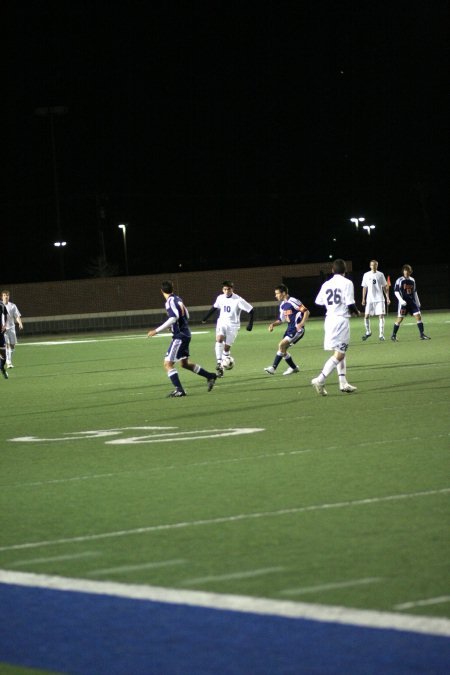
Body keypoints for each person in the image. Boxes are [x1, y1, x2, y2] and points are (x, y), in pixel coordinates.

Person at [147, 280, 217, 397]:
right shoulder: (178, 299)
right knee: (184, 364)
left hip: (180, 337)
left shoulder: (169, 301)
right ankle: (210, 376)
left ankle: (179, 390)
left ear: (161, 291)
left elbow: (173, 317)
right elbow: (187, 315)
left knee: (167, 364)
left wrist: (156, 331)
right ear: (172, 289)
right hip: (186, 334)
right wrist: (178, 325)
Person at [311, 259, 360, 396]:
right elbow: (350, 303)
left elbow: (318, 301)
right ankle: (320, 379)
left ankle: (343, 383)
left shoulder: (327, 284)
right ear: (345, 271)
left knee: (339, 351)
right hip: (341, 320)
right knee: (340, 354)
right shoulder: (347, 283)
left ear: (332, 270)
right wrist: (356, 312)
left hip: (329, 319)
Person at [201, 280, 254, 377]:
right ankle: (219, 363)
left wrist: (250, 324)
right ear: (222, 289)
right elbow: (214, 307)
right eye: (224, 289)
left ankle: (224, 361)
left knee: (226, 348)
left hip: (233, 326)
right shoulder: (220, 298)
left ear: (232, 289)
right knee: (219, 339)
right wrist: (205, 317)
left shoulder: (238, 300)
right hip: (222, 322)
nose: (226, 291)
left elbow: (251, 310)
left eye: (228, 289)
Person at [264, 284, 309, 376]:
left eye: (277, 293)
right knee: (283, 350)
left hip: (297, 330)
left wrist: (301, 323)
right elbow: (281, 320)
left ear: (283, 293)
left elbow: (306, 311)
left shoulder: (293, 301)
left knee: (281, 345)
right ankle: (294, 368)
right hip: (289, 329)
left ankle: (273, 368)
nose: (275, 296)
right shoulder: (282, 306)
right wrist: (273, 324)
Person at [391, 265, 431, 341]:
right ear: (403, 271)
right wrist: (401, 300)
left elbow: (415, 292)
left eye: (408, 271)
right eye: (405, 270)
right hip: (403, 303)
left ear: (410, 272)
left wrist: (418, 301)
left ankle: (422, 335)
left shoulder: (412, 280)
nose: (406, 272)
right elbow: (396, 292)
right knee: (400, 319)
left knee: (418, 316)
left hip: (412, 302)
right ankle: (393, 335)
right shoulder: (399, 280)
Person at [361, 260, 390, 341]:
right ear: (370, 266)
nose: (374, 266)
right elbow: (364, 287)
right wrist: (363, 299)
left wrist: (387, 297)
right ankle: (368, 332)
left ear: (377, 266)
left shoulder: (380, 274)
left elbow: (385, 287)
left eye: (375, 265)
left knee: (381, 315)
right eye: (372, 265)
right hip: (370, 299)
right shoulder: (366, 275)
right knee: (366, 316)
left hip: (379, 298)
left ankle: (381, 334)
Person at [1, 290, 23, 368]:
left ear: (9, 296)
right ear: (2, 296)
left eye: (7, 295)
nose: (6, 297)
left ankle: (6, 358)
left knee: (12, 345)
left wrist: (20, 323)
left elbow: (17, 316)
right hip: (3, 329)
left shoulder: (13, 306)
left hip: (12, 328)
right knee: (7, 345)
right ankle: (9, 362)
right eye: (4, 295)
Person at [0, 298, 8, 379]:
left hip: (0, 333)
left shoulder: (1, 304)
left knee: (4, 356)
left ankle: (1, 368)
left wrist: (5, 325)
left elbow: (5, 315)